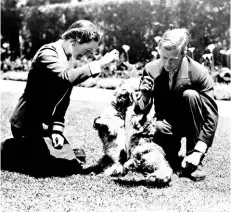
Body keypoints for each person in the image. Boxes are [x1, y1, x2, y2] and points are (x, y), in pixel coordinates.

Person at [9, 20, 119, 170]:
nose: (88, 55)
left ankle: (34, 148)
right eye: (88, 50)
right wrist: (101, 62)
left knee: (71, 163)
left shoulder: (69, 58)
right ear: (75, 40)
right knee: (48, 167)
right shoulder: (48, 52)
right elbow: (66, 77)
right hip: (25, 124)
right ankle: (8, 148)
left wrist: (57, 130)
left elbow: (63, 100)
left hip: (43, 126)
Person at [134, 28, 218, 181]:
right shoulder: (150, 69)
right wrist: (145, 97)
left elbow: (211, 117)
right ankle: (171, 156)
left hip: (191, 123)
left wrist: (199, 151)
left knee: (191, 95)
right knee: (159, 130)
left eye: (172, 59)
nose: (166, 63)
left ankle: (193, 160)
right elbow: (139, 110)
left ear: (183, 54)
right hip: (165, 126)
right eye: (163, 57)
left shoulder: (199, 72)